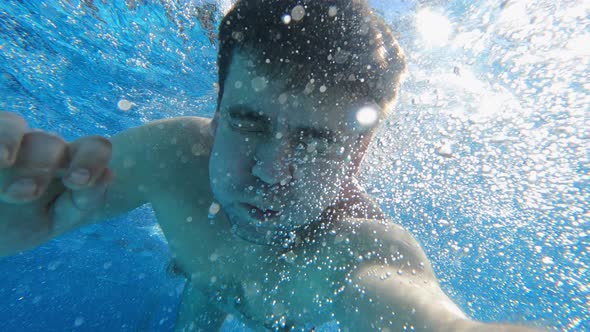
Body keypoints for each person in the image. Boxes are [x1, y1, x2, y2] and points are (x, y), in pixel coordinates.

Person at [0, 0, 540, 331]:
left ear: (358, 154)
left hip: (276, 313)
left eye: (315, 141)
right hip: (205, 285)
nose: (268, 173)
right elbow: (47, 202)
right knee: (202, 292)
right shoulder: (171, 157)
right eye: (250, 124)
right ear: (213, 115)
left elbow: (412, 304)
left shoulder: (360, 244)